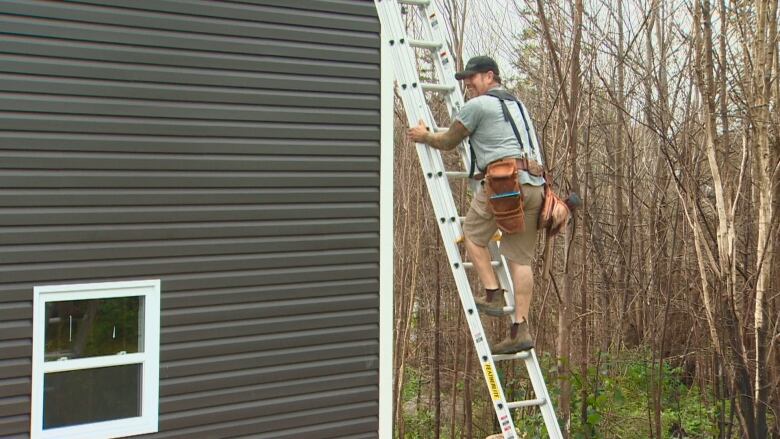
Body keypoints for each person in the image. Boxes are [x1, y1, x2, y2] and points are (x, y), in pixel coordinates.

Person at [407, 56, 545, 354]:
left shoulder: (478, 106)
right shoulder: (518, 106)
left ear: (490, 76)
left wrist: (424, 135)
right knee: (520, 260)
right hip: (536, 184)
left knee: (471, 234)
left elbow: (448, 141)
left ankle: (493, 293)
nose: (467, 83)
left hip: (506, 183)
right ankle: (520, 329)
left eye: (473, 77)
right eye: (465, 78)